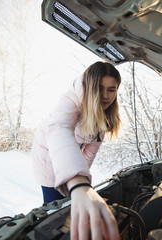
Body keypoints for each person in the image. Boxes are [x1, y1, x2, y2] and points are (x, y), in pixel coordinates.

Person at [31, 61, 121, 240]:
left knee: (71, 198)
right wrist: (78, 184)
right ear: (90, 86)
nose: (105, 95)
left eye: (112, 90)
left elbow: (89, 152)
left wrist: (81, 183)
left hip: (68, 156)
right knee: (54, 203)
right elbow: (58, 127)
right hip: (48, 155)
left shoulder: (106, 115)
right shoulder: (73, 98)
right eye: (100, 88)